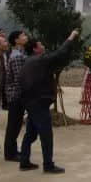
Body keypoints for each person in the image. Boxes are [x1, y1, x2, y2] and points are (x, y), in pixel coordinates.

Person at [18, 29, 79, 173]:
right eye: (40, 45)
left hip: (31, 102)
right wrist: (71, 37)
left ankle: (24, 161)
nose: (43, 46)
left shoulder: (28, 61)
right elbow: (59, 53)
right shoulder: (40, 60)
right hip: (39, 103)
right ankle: (48, 165)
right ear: (35, 49)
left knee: (30, 134)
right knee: (46, 135)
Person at [3, 30, 28, 161]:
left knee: (16, 124)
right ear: (16, 40)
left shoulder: (19, 54)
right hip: (16, 95)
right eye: (23, 36)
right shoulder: (17, 56)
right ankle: (10, 153)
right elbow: (19, 78)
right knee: (14, 124)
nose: (26, 37)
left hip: (16, 94)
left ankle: (12, 150)